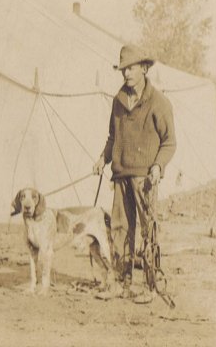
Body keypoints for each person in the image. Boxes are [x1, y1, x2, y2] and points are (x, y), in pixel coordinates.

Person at [93, 45, 176, 304]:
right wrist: (102, 159)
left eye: (131, 68)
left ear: (144, 68)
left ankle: (150, 286)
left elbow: (169, 142)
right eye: (122, 68)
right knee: (120, 229)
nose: (126, 73)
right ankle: (120, 282)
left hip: (145, 179)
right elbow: (112, 137)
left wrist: (157, 167)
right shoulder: (118, 100)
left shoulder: (159, 103)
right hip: (120, 176)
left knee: (148, 231)